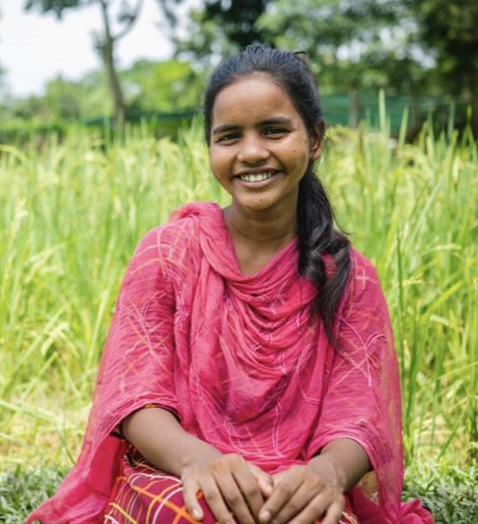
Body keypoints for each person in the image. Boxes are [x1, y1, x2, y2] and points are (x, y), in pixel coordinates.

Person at [27, 44, 433, 524]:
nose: (252, 152)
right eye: (229, 136)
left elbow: (360, 414)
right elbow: (136, 398)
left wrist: (325, 474)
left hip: (294, 485)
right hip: (175, 475)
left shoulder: (348, 274)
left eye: (274, 130)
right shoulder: (169, 252)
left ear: (316, 139)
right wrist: (198, 461)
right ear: (211, 149)